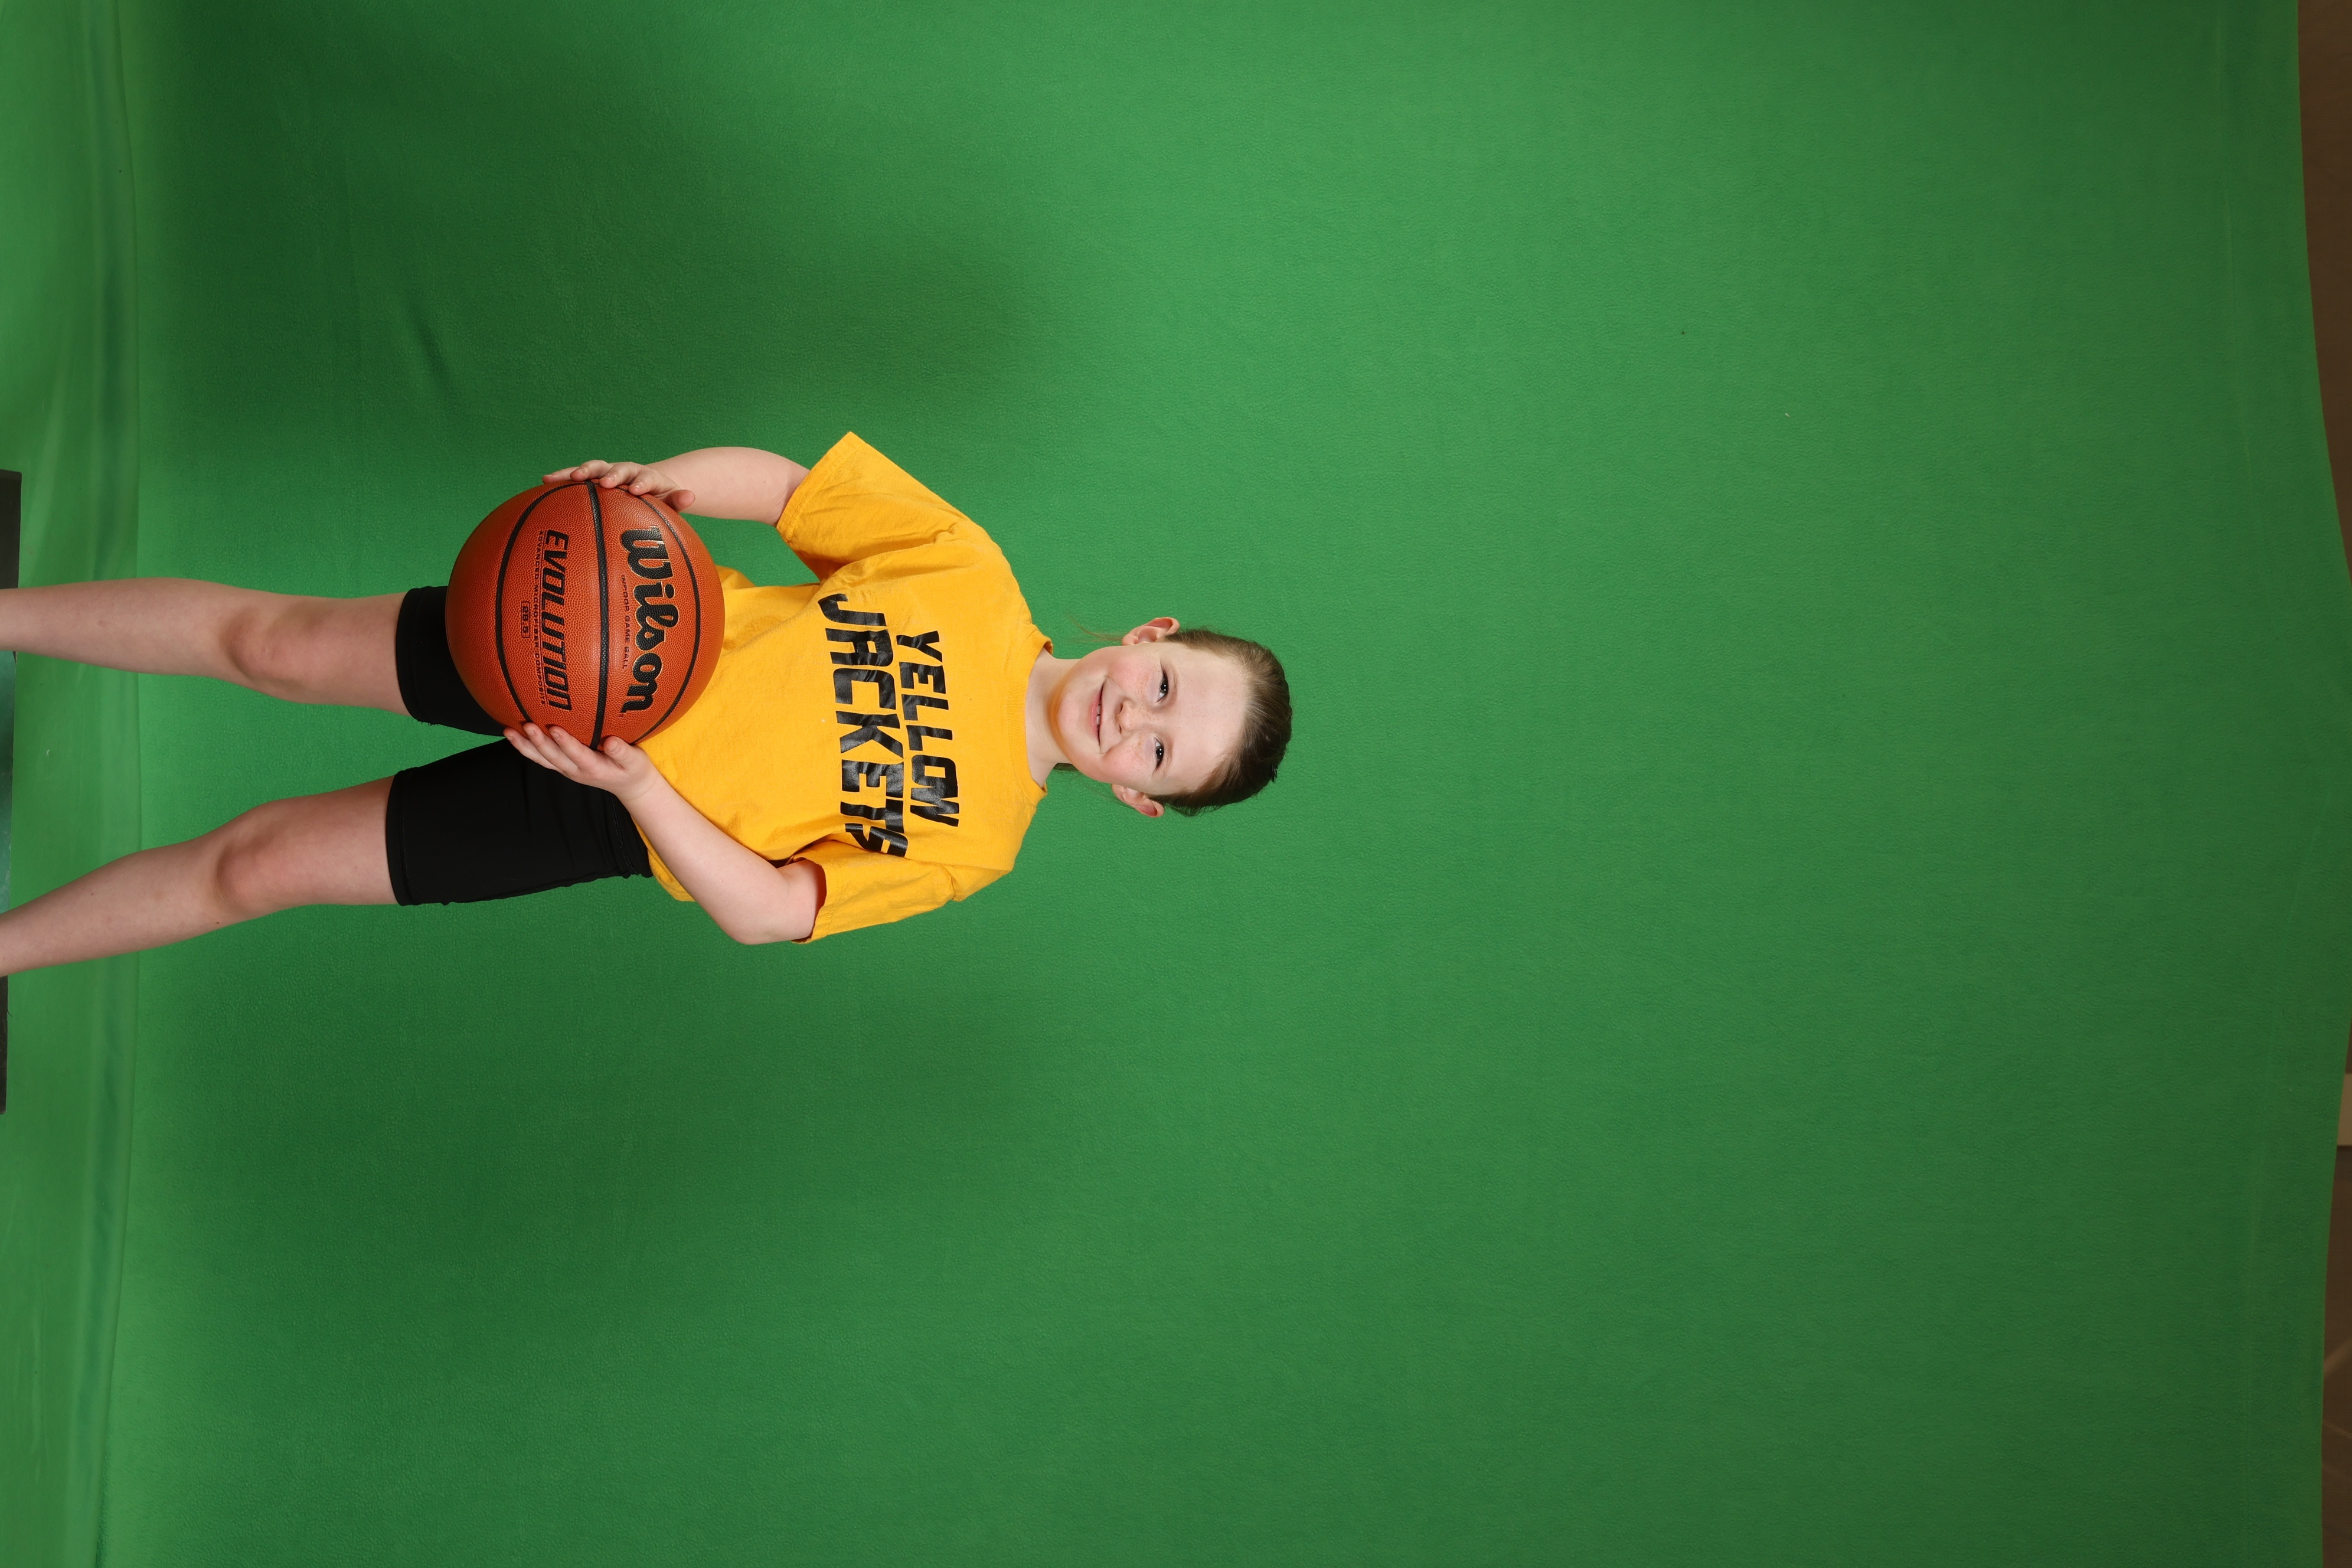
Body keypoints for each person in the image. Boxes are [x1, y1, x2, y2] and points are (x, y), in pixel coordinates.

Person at [0, 435, 1291, 969]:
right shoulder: (973, 575)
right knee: (272, 643)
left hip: (604, 812)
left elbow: (776, 910)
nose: (1135, 718)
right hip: (592, 631)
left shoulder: (978, 842)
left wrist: (640, 790)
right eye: (1165, 687)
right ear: (1152, 635)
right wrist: (658, 485)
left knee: (263, 861)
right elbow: (789, 490)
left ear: (1138, 799)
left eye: (1161, 754)